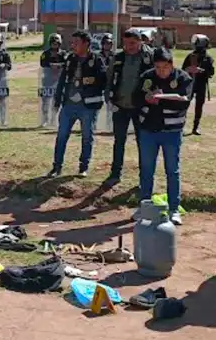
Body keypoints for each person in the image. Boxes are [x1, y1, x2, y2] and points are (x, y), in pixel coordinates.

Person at [132, 47, 192, 225]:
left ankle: (174, 209)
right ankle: (144, 207)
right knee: (146, 170)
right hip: (148, 131)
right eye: (157, 67)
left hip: (171, 132)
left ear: (172, 65)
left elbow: (183, 104)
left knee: (172, 171)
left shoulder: (183, 78)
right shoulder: (147, 77)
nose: (161, 71)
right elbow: (136, 99)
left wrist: (162, 99)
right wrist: (146, 99)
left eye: (164, 67)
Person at [47, 30, 108, 178]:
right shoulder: (70, 59)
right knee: (61, 136)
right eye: (72, 43)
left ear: (86, 44)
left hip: (88, 106)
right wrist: (57, 100)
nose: (73, 45)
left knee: (87, 136)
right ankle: (56, 167)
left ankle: (83, 167)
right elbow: (62, 80)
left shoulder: (97, 60)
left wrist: (90, 84)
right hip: (68, 105)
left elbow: (103, 81)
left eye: (76, 43)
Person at [105, 29, 154, 183]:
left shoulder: (150, 57)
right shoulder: (118, 57)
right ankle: (115, 174)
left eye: (132, 43)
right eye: (125, 43)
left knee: (143, 143)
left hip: (142, 107)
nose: (128, 46)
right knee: (119, 141)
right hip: (120, 106)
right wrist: (109, 98)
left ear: (141, 41)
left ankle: (144, 178)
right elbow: (110, 78)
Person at [182, 34, 215, 136]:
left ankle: (195, 127)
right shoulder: (190, 56)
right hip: (190, 84)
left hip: (201, 84)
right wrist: (189, 69)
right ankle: (181, 126)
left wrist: (201, 71)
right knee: (184, 104)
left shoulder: (208, 58)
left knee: (199, 106)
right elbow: (182, 70)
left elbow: (211, 73)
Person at [38, 33, 67, 127]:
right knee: (45, 101)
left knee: (57, 101)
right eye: (53, 43)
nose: (55, 45)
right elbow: (42, 64)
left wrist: (59, 65)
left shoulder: (63, 54)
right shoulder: (45, 54)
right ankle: (45, 119)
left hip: (59, 82)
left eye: (56, 43)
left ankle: (54, 119)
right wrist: (51, 65)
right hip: (47, 81)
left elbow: (67, 64)